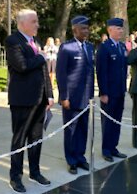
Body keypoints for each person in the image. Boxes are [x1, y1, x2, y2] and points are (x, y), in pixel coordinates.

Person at [5, 9, 54, 193]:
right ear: (22, 23)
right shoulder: (13, 41)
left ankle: (35, 171)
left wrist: (49, 94)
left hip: (40, 100)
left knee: (36, 138)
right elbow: (22, 66)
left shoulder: (36, 42)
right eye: (34, 21)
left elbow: (44, 73)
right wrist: (41, 57)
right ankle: (15, 176)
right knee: (19, 140)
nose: (37, 25)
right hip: (22, 100)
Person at [56, 15, 94, 175]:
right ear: (74, 29)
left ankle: (80, 157)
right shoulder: (67, 48)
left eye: (87, 28)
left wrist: (91, 94)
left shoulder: (89, 47)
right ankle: (71, 160)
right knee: (71, 130)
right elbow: (61, 74)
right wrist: (64, 96)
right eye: (83, 28)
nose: (86, 31)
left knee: (83, 129)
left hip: (86, 97)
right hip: (71, 98)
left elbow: (90, 72)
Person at [96, 17, 128, 162]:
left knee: (117, 121)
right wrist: (103, 92)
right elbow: (101, 72)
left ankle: (114, 147)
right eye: (118, 28)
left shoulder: (121, 47)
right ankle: (106, 149)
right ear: (110, 30)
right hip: (109, 92)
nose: (121, 30)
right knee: (108, 122)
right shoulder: (104, 47)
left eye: (121, 28)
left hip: (120, 90)